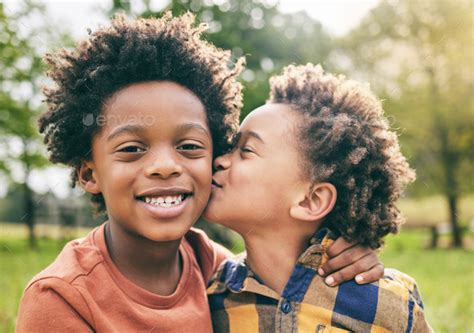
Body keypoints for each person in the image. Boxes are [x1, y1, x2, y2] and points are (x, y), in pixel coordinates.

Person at [16, 15, 382, 332]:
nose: (165, 165)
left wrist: (344, 253)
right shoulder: (62, 297)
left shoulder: (215, 268)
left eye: (189, 146)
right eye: (131, 149)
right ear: (89, 174)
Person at [205, 64, 433, 332]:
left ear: (310, 201)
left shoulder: (389, 305)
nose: (218, 160)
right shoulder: (212, 296)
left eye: (246, 150)